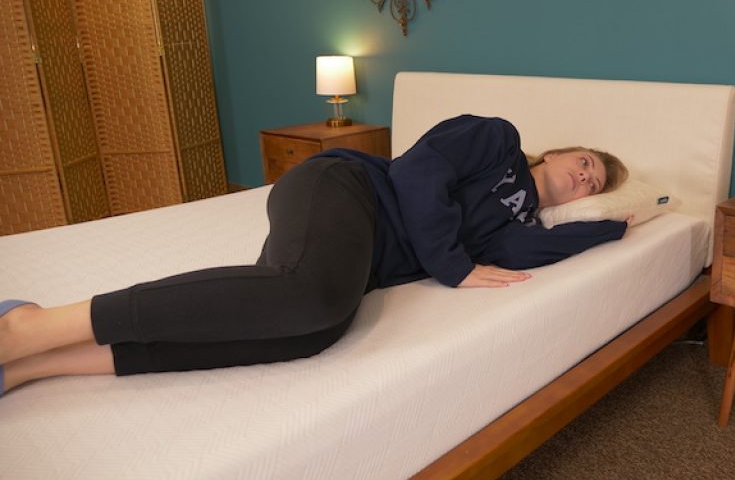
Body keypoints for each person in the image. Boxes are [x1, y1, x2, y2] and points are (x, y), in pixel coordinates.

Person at [0, 114, 629, 396]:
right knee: (309, 294)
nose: (585, 179)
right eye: (586, 163)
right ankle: (31, 327)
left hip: (356, 257)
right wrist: (454, 266)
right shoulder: (497, 139)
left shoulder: (515, 226)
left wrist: (617, 225)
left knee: (316, 327)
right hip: (344, 189)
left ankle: (36, 367)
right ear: (558, 153)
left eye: (596, 183)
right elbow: (417, 172)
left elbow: (536, 248)